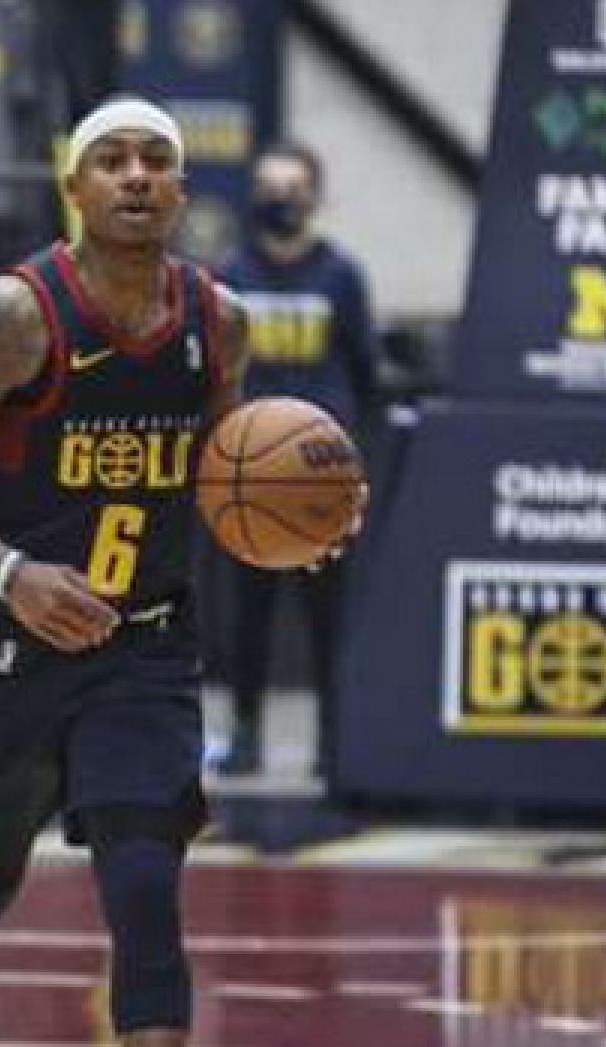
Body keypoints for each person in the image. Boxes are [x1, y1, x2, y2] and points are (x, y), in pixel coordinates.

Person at [0, 97, 262, 1047]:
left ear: (182, 189)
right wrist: (10, 572)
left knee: (145, 884)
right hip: (7, 645)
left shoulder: (221, 323)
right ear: (74, 186)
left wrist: (293, 519)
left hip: (143, 644)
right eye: (111, 160)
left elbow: (225, 475)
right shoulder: (14, 315)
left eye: (155, 160)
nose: (136, 175)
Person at [208, 142, 380, 778]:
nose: (280, 199)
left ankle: (333, 742)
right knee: (247, 617)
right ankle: (246, 734)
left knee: (328, 617)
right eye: (268, 188)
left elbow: (366, 373)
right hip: (248, 472)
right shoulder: (230, 275)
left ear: (315, 197)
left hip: (320, 478)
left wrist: (349, 458)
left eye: (292, 188)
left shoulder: (341, 276)